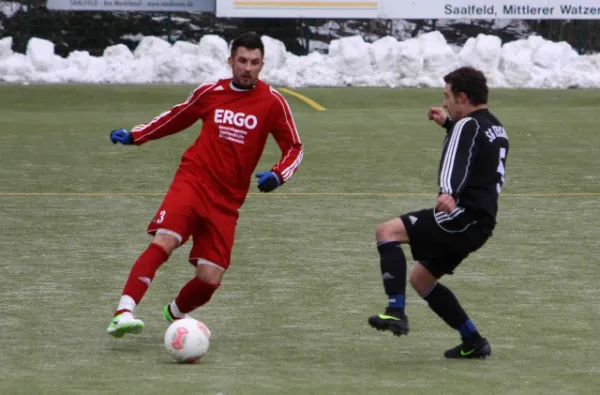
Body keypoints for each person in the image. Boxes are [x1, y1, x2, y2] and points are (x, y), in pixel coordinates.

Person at [106, 31, 304, 338]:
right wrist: (137, 135)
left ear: (262, 64)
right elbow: (177, 117)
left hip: (227, 202)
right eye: (241, 61)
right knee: (165, 241)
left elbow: (294, 147)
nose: (247, 68)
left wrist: (278, 174)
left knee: (210, 279)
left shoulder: (272, 102)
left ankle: (174, 314)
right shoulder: (210, 93)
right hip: (193, 181)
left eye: (254, 62)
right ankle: (123, 312)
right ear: (231, 61)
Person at [367, 66, 509, 359]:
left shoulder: (467, 125)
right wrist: (448, 124)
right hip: (480, 225)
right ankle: (473, 340)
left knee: (387, 232)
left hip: (460, 216)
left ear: (462, 97)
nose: (444, 102)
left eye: (447, 97)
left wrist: (449, 192)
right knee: (422, 279)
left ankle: (395, 311)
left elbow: (457, 160)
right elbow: (476, 151)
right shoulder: (495, 126)